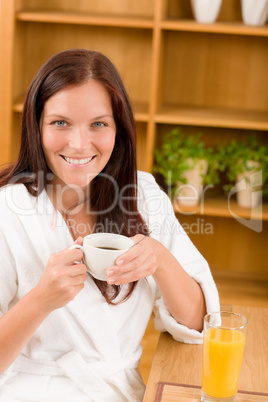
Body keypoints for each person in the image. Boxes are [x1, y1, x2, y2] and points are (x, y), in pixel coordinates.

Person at [0, 49, 220, 401]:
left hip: (117, 391)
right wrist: (40, 301)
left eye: (98, 124)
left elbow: (200, 324)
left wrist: (160, 260)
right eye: (60, 122)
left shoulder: (143, 196)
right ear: (36, 126)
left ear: (119, 129)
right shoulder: (8, 209)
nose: (79, 143)